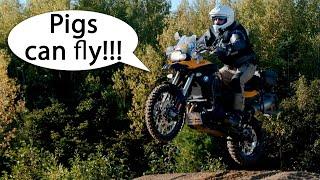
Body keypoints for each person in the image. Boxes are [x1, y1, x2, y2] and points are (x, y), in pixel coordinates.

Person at [198, 5, 257, 125]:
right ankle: (217, 108)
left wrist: (229, 47)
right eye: (214, 19)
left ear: (228, 19)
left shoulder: (236, 30)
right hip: (229, 67)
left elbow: (239, 42)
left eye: (220, 19)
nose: (216, 22)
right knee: (213, 78)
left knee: (237, 80)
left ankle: (237, 114)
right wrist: (190, 46)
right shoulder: (215, 32)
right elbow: (200, 41)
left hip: (246, 65)